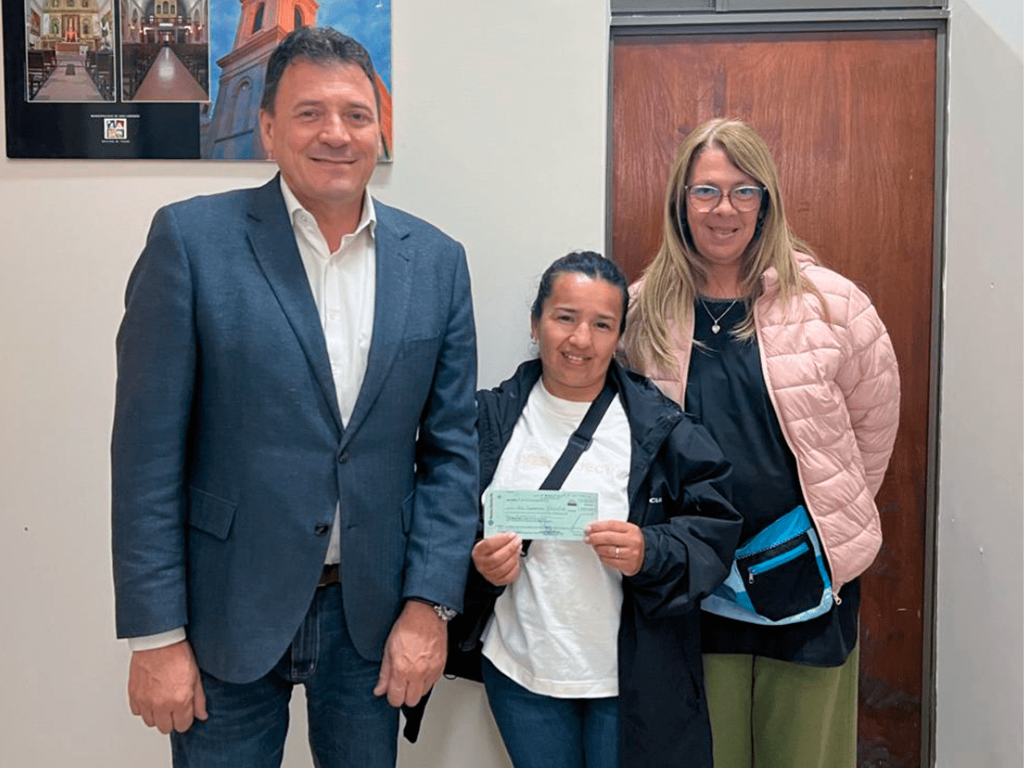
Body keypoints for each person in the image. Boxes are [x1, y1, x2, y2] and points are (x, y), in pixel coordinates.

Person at [110, 27, 478, 768]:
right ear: (269, 130)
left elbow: (451, 453)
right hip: (225, 612)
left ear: (380, 129)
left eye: (356, 114)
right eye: (310, 113)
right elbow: (145, 454)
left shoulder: (437, 262)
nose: (335, 134)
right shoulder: (191, 242)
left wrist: (429, 604)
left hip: (370, 617)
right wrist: (156, 636)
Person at [623, 118, 900, 768]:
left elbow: (872, 434)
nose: (725, 209)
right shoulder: (641, 312)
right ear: (679, 203)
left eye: (744, 192)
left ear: (767, 201)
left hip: (805, 579)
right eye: (706, 191)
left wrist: (824, 526)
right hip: (693, 583)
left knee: (804, 754)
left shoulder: (834, 305)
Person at [462, 251, 741, 768]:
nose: (581, 340)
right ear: (535, 322)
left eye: (602, 324)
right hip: (523, 673)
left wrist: (648, 550)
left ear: (619, 337)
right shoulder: (486, 420)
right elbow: (437, 526)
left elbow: (716, 530)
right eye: (565, 317)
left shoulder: (661, 427)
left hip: (630, 678)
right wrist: (477, 567)